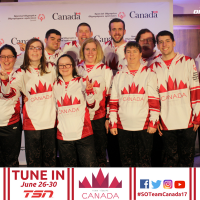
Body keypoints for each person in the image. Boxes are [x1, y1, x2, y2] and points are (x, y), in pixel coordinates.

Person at [0, 38, 57, 167]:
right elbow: (9, 93)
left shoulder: (52, 68)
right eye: (31, 48)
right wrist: (4, 80)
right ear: (26, 51)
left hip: (50, 122)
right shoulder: (20, 72)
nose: (35, 51)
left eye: (38, 48)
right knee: (34, 164)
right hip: (31, 124)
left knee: (50, 163)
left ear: (42, 52)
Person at [150, 30, 200, 167]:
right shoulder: (153, 67)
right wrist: (156, 119)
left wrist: (197, 115)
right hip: (166, 122)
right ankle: (174, 189)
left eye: (167, 41)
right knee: (170, 160)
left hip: (187, 120)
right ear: (158, 46)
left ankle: (188, 188)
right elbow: (153, 96)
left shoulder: (188, 62)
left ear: (174, 43)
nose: (164, 44)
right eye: (160, 42)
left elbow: (195, 89)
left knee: (187, 160)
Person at [109, 41, 160, 167]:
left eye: (135, 52)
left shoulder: (149, 73)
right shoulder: (118, 76)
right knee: (126, 162)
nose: (131, 55)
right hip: (123, 126)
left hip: (144, 126)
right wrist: (112, 123)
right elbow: (113, 102)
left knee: (144, 161)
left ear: (140, 54)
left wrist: (154, 122)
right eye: (128, 52)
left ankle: (142, 186)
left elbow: (154, 101)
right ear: (124, 55)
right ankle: (129, 186)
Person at [54, 54, 97, 167]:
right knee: (69, 174)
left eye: (67, 64)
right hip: (64, 135)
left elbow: (91, 104)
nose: (64, 67)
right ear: (58, 68)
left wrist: (89, 92)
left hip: (84, 134)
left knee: (90, 171)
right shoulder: (54, 85)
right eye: (61, 65)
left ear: (73, 66)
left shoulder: (82, 82)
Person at [77, 38, 113, 167]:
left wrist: (108, 118)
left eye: (93, 49)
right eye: (87, 49)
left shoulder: (105, 70)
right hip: (80, 118)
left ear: (98, 51)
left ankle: (100, 183)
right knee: (82, 155)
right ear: (83, 51)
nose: (90, 52)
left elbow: (110, 96)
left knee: (99, 154)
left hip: (99, 118)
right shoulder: (77, 69)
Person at [0, 44, 22, 167]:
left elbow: (7, 94)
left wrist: (4, 80)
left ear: (15, 58)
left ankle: (10, 186)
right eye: (3, 56)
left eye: (9, 56)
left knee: (10, 163)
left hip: (11, 124)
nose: (6, 60)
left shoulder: (19, 75)